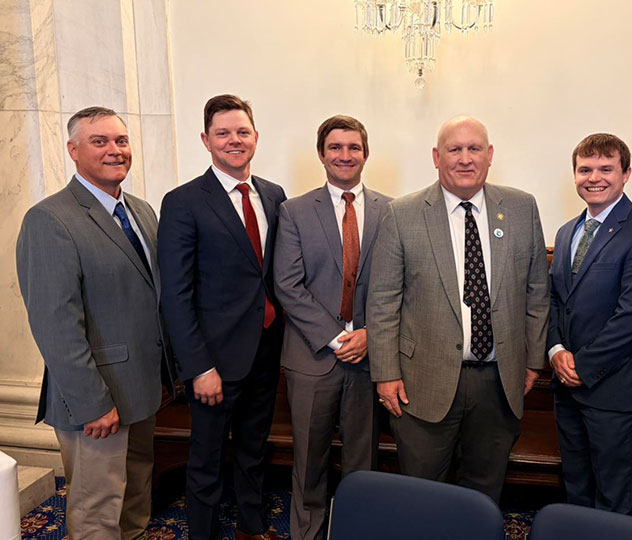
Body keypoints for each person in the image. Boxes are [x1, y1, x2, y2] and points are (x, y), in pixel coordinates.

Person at [367, 115, 549, 503]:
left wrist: (533, 361)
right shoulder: (403, 213)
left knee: (484, 491)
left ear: (490, 155)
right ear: (436, 156)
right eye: (455, 149)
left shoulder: (521, 207)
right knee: (422, 494)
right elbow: (383, 301)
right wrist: (385, 373)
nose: (465, 159)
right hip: (421, 383)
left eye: (474, 149)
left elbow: (536, 290)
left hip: (500, 383)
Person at [16, 106, 170, 540]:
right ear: (73, 150)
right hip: (95, 400)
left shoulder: (141, 211)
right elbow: (55, 325)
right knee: (97, 509)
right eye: (99, 141)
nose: (114, 150)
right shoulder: (49, 219)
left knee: (135, 497)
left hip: (141, 389)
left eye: (121, 141)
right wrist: (91, 402)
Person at [158, 95, 286, 540]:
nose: (235, 140)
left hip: (266, 353)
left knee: (254, 451)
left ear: (255, 137)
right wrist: (198, 367)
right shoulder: (183, 202)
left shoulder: (273, 195)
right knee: (207, 459)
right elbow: (175, 294)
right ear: (206, 140)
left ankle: (252, 528)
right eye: (223, 133)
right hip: (213, 362)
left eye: (242, 132)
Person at [273, 115, 391, 540]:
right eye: (336, 147)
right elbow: (287, 284)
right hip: (312, 357)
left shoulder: (391, 210)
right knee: (309, 462)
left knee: (364, 463)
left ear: (366, 153)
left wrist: (369, 335)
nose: (345, 155)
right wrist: (336, 336)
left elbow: (397, 286)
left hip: (368, 357)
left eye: (353, 147)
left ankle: (358, 531)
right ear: (321, 154)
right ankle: (307, 534)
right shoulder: (294, 211)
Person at [547, 133, 632, 514]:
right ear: (575, 175)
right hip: (566, 386)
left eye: (606, 168)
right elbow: (554, 300)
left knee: (613, 494)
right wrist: (555, 351)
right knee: (576, 485)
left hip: (615, 391)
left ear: (626, 173)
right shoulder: (568, 231)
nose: (594, 177)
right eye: (585, 169)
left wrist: (582, 367)